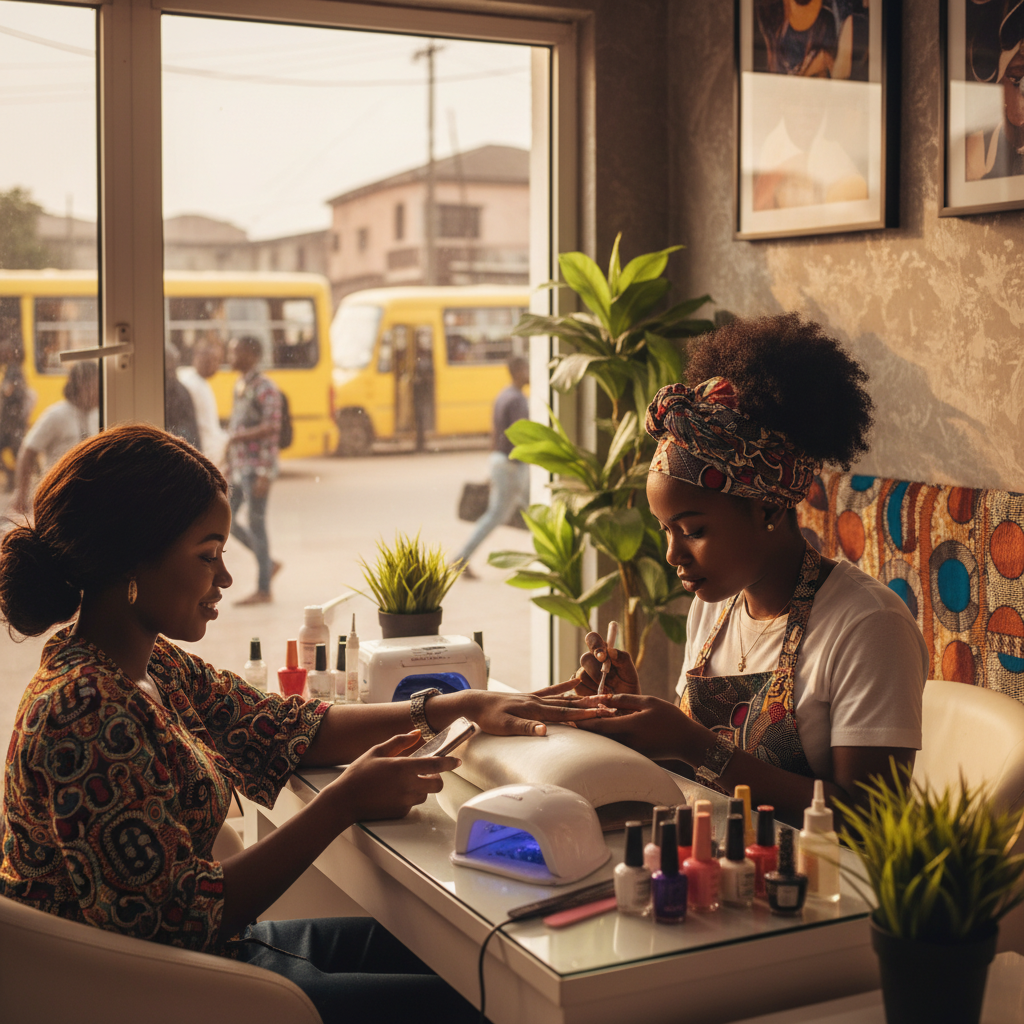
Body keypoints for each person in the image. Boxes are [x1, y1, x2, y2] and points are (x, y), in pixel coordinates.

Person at [0, 424, 607, 1024]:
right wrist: (341, 802)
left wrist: (456, 705)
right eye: (208, 555)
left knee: (480, 961)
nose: (228, 579)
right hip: (160, 992)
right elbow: (175, 923)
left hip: (212, 953)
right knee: (485, 1000)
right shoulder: (83, 709)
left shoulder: (147, 663)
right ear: (131, 560)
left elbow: (280, 726)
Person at [561, 313, 929, 826]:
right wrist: (632, 713)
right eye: (665, 529)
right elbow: (696, 781)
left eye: (692, 530)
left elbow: (868, 819)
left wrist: (693, 745)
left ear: (768, 510)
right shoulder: (713, 609)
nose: (673, 555)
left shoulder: (868, 626)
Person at [454, 355, 530, 579]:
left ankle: (461, 558)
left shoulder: (504, 395)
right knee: (514, 514)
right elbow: (520, 435)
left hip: (500, 461)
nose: (529, 373)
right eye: (526, 369)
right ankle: (461, 558)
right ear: (517, 371)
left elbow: (496, 433)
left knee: (525, 513)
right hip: (512, 465)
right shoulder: (517, 400)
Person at [225, 334, 281, 605]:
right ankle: (267, 563)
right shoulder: (241, 384)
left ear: (251, 354)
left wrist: (266, 473)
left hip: (258, 468)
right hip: (241, 467)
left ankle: (264, 589)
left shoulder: (265, 387)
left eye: (235, 351)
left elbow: (272, 429)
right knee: (229, 520)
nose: (230, 356)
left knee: (257, 525)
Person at [12, 360, 99, 514]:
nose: (101, 391)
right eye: (96, 385)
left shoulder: (97, 415)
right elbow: (28, 452)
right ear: (81, 386)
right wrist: (22, 493)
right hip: (59, 497)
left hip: (88, 495)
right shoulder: (56, 415)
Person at [177, 337, 228, 464]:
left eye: (218, 360)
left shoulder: (198, 381)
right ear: (198, 356)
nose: (216, 365)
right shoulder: (191, 384)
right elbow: (205, 429)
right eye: (212, 360)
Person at [0, 334, 33, 493]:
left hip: (12, 422)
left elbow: (9, 391)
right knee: (19, 452)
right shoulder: (11, 369)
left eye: (3, 351)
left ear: (9, 352)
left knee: (20, 453)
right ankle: (14, 479)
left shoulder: (13, 370)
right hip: (11, 421)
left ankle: (17, 480)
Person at [163, 343, 201, 449]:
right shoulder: (172, 388)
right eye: (167, 370)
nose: (171, 374)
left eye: (173, 369)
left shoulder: (180, 391)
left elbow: (189, 431)